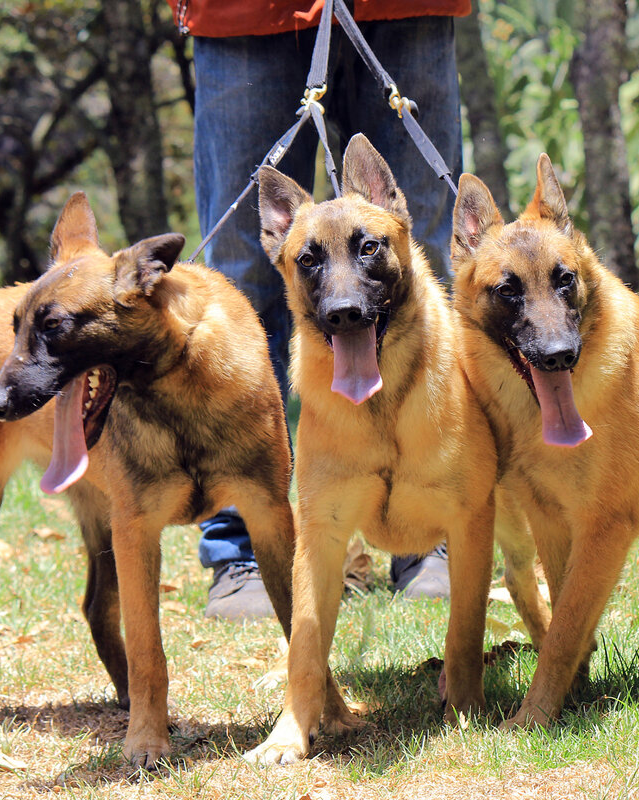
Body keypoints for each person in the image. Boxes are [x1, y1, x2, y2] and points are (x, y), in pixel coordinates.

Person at [172, 0, 470, 620]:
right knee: (240, 277)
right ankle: (244, 548)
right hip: (245, 11)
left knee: (416, 248)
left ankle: (431, 529)